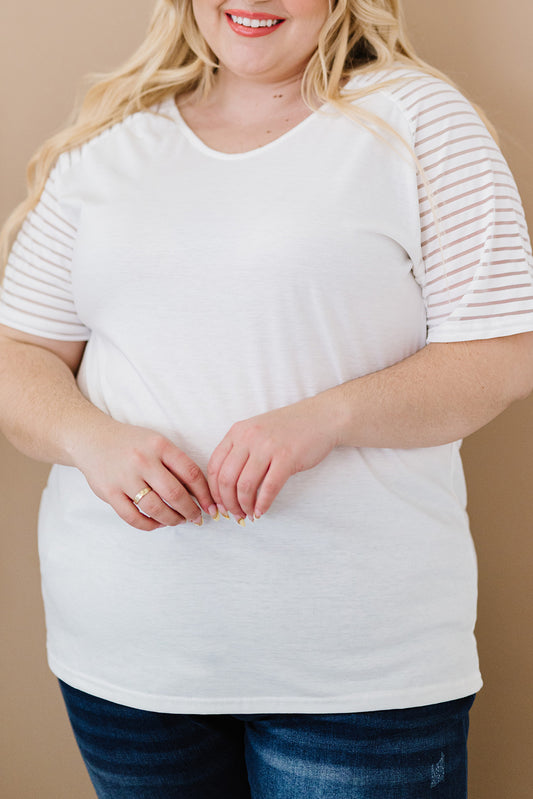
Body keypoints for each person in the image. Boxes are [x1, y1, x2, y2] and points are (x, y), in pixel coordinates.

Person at [1, 0, 532, 796]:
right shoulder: (108, 142)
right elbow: (21, 353)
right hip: (128, 658)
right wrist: (89, 437)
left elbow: (500, 354)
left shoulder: (416, 119)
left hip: (357, 669)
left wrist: (326, 417)